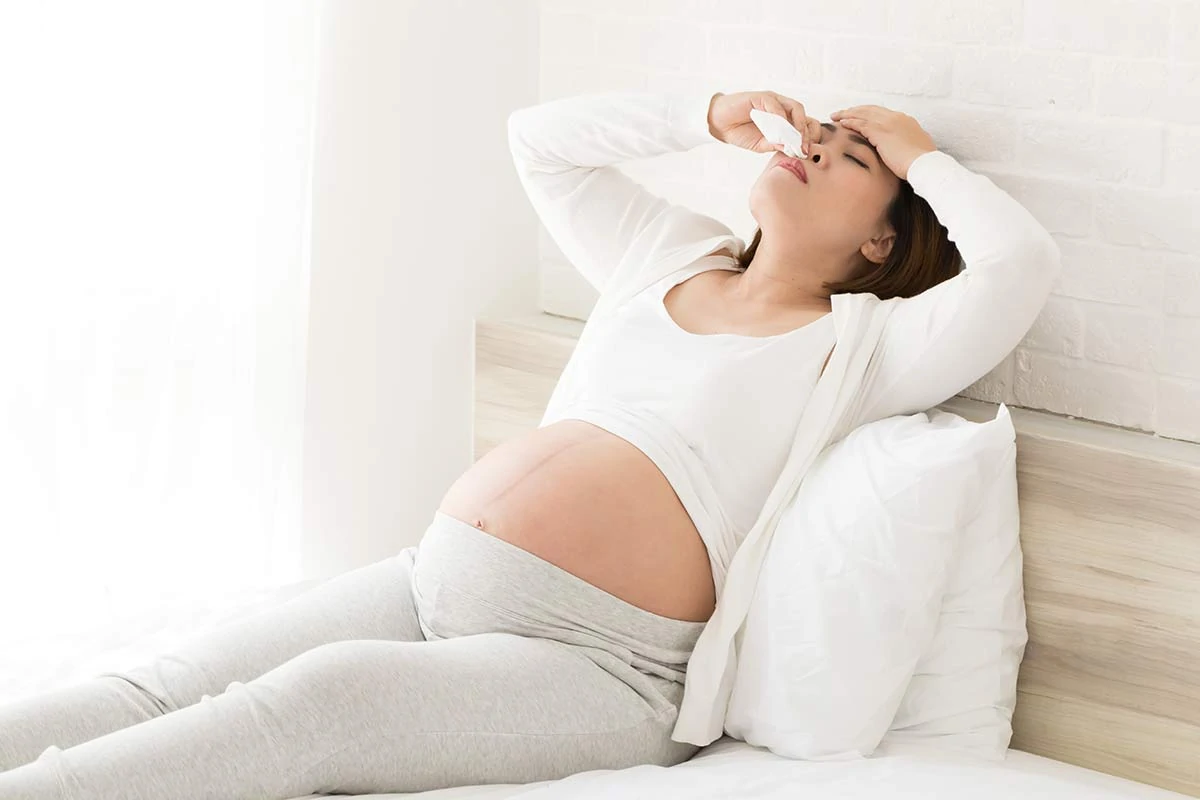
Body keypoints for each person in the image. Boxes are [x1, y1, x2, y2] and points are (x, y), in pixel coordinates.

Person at [0, 86, 1059, 798]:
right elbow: (540, 141)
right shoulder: (664, 252)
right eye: (814, 135)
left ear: (883, 235)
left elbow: (1016, 262)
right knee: (160, 680)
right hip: (435, 579)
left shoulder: (869, 348)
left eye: (850, 158)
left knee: (310, 705)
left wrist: (913, 144)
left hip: (601, 662)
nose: (812, 147)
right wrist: (706, 109)